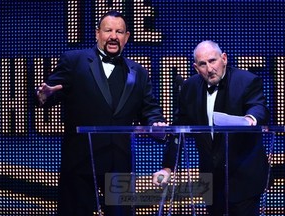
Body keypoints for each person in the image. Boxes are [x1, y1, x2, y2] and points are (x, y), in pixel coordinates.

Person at [36, 10, 166, 216]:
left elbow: (149, 109)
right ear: (97, 34)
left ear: (127, 37)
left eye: (119, 31)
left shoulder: (138, 72)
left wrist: (157, 123)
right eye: (108, 30)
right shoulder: (74, 61)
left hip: (119, 164)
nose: (114, 36)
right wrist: (44, 96)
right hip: (80, 162)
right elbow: (49, 92)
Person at [153, 40, 270, 216]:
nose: (209, 68)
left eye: (213, 61)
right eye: (202, 64)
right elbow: (179, 130)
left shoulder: (246, 81)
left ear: (224, 58)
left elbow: (258, 107)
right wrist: (168, 167)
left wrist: (250, 118)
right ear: (195, 67)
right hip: (211, 178)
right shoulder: (189, 87)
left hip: (244, 176)